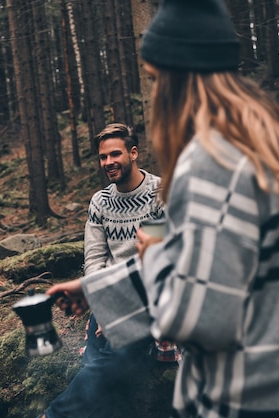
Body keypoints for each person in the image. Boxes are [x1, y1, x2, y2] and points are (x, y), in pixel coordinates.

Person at [46, 0, 279, 416]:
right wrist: (95, 290)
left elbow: (204, 313)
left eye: (155, 78)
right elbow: (203, 253)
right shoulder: (268, 140)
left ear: (182, 77)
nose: (154, 92)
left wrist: (152, 259)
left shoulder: (208, 163)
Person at [41, 123, 173, 418]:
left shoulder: (160, 193)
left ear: (134, 153)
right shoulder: (100, 202)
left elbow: (159, 262)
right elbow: (94, 260)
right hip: (107, 293)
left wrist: (120, 311)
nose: (108, 162)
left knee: (113, 362)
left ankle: (53, 415)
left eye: (115, 154)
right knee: (96, 367)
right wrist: (104, 307)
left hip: (150, 299)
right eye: (103, 157)